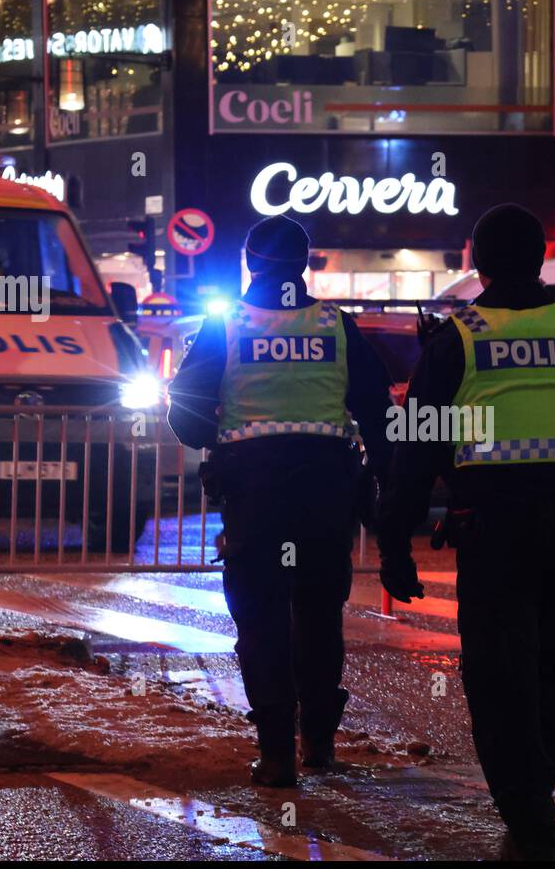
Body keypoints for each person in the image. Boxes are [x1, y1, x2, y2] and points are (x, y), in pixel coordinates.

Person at [376, 204, 555, 859]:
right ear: (540, 259)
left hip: (497, 531)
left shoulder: (456, 338)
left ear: (476, 262)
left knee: (502, 682)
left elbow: (416, 448)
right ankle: (538, 772)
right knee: (548, 668)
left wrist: (394, 541)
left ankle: (531, 824)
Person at [167, 215, 394, 787]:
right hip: (326, 491)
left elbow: (187, 418)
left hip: (256, 493)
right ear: (304, 263)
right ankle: (318, 744)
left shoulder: (228, 325)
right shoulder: (336, 325)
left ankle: (276, 757)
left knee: (262, 618)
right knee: (319, 616)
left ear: (249, 263)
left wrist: (223, 430)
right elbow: (377, 408)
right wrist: (385, 485)